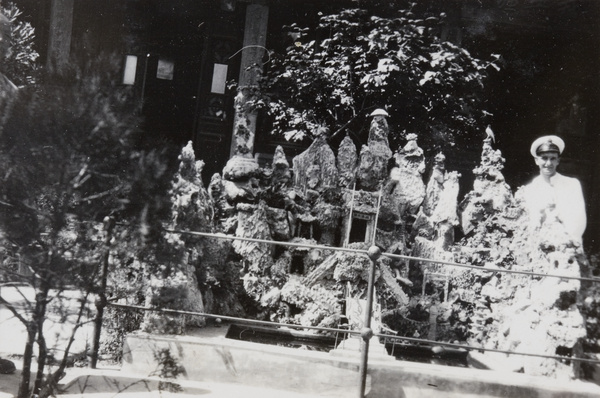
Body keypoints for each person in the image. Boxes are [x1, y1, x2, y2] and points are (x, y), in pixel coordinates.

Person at [522, 135, 586, 243]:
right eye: (544, 158)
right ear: (536, 161)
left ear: (558, 161)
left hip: (567, 248)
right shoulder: (529, 190)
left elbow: (579, 221)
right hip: (538, 248)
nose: (548, 163)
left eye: (553, 158)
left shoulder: (572, 185)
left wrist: (562, 243)